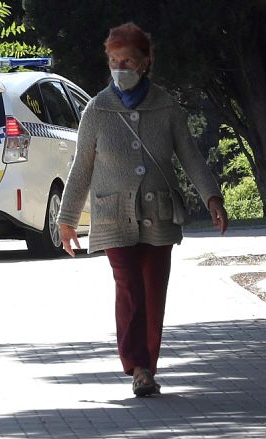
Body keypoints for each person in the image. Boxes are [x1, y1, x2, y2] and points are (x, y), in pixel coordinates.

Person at [56, 23, 229, 397]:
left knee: (153, 293)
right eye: (114, 61)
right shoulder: (97, 109)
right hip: (113, 216)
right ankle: (136, 366)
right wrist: (66, 219)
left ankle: (148, 366)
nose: (120, 68)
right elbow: (82, 166)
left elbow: (190, 156)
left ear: (145, 62)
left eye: (128, 61)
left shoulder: (166, 106)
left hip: (159, 214)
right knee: (129, 288)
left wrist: (212, 198)